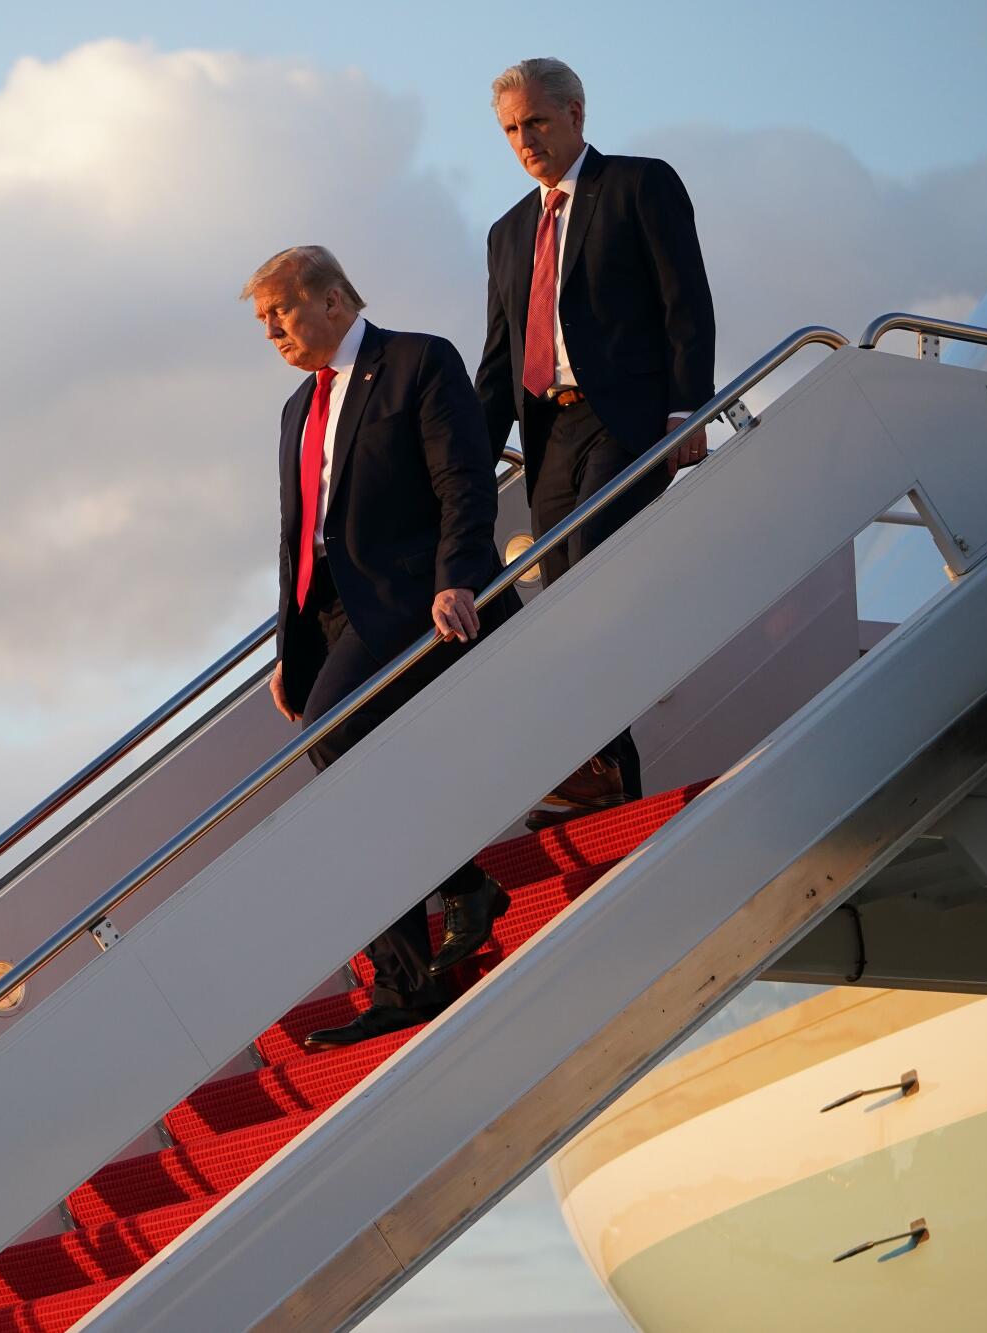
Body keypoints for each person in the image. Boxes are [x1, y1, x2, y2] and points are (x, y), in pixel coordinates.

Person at [244, 246, 517, 1049]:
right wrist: (290, 648)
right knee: (354, 783)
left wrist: (459, 577)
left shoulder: (417, 361)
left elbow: (461, 480)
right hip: (329, 619)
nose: (272, 333)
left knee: (331, 733)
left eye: (280, 313)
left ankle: (446, 912)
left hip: (407, 600)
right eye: (263, 322)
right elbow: (300, 534)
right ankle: (441, 920)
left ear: (333, 300)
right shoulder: (298, 406)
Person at [474, 57, 716, 825]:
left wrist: (689, 410)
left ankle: (599, 775)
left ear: (576, 114)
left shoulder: (641, 185)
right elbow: (498, 360)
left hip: (631, 419)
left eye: (537, 122)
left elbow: (686, 301)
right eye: (512, 129)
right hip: (548, 435)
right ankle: (613, 785)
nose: (525, 139)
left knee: (588, 580)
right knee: (565, 608)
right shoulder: (507, 231)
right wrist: (466, 469)